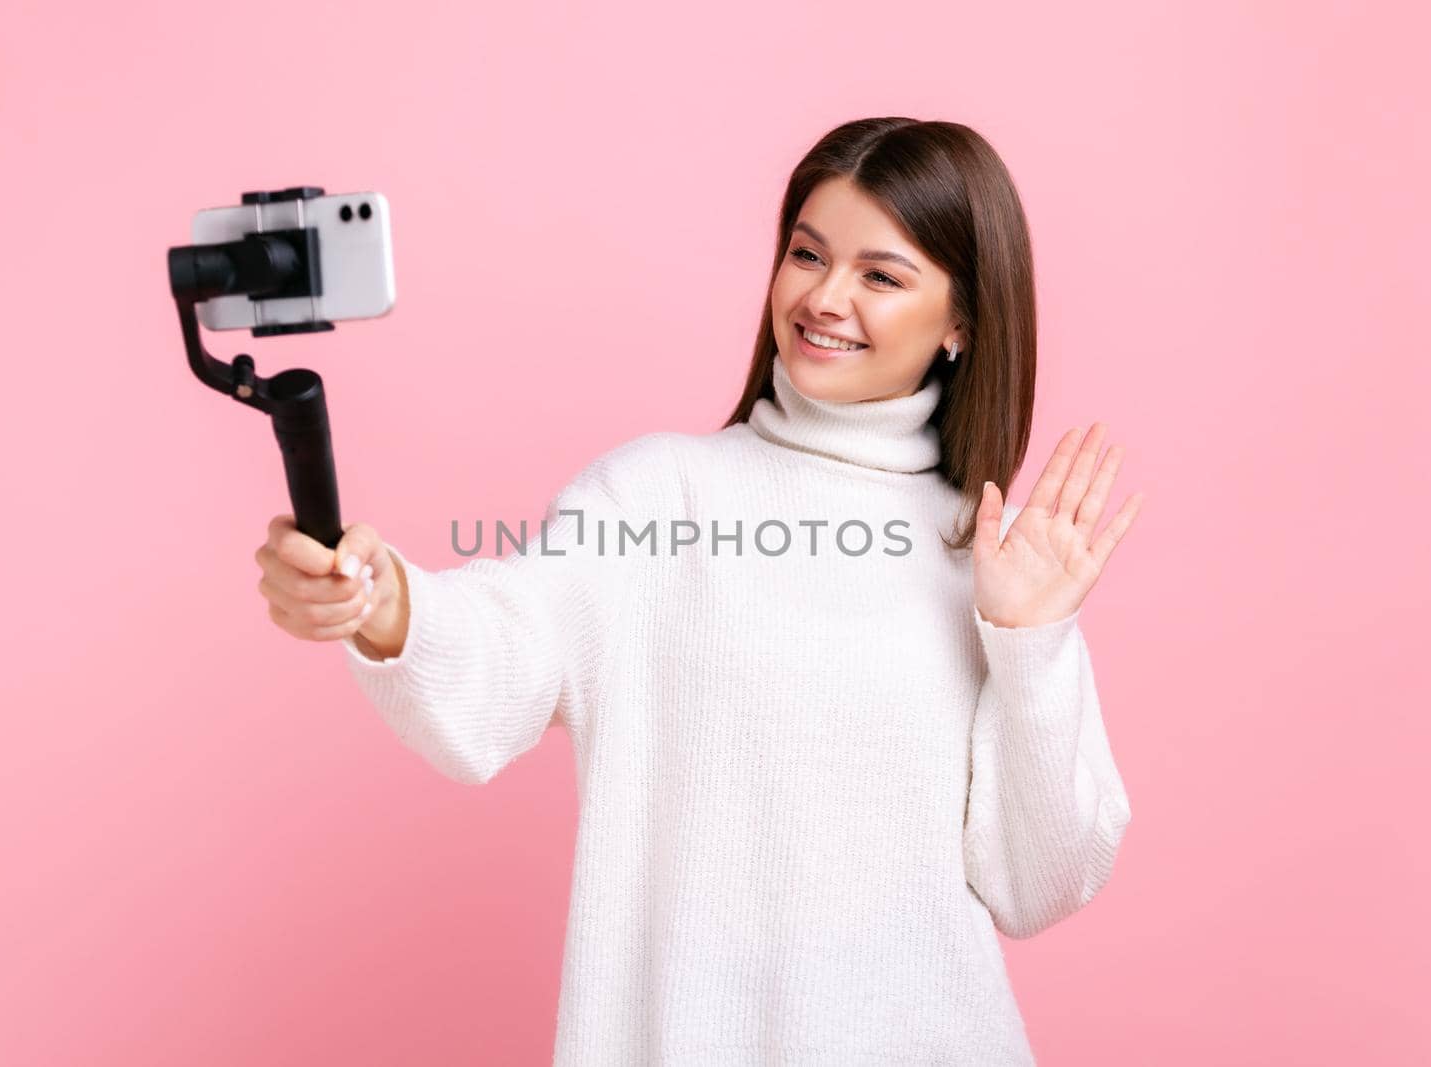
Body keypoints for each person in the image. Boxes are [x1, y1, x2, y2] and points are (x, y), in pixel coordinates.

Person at [255, 116, 1144, 1065]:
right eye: (807, 254)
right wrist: (379, 600)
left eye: (881, 276)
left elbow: (1038, 885)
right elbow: (499, 655)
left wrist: (1029, 640)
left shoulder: (992, 555)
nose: (824, 298)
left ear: (962, 320)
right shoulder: (660, 496)